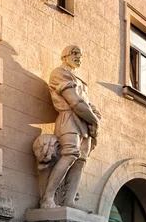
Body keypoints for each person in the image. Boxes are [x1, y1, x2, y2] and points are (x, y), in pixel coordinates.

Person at [40, 45, 101, 209]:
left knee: (81, 161)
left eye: (80, 55)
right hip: (69, 119)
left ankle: (69, 201)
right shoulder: (60, 73)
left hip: (84, 124)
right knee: (70, 154)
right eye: (74, 53)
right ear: (64, 56)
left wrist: (95, 118)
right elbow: (76, 102)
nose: (78, 57)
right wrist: (95, 121)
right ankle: (47, 198)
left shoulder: (80, 81)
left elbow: (88, 104)